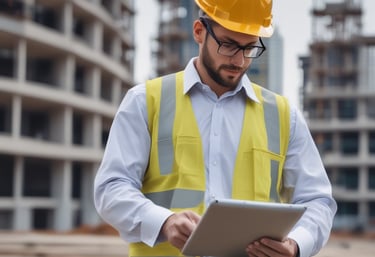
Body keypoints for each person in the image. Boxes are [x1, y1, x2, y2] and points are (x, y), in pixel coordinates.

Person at [94, 0, 337, 257]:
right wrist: (163, 222)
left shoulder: (284, 116)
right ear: (199, 31)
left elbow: (317, 201)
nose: (239, 59)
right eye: (229, 44)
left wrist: (296, 244)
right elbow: (111, 187)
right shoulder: (145, 101)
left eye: (250, 47)